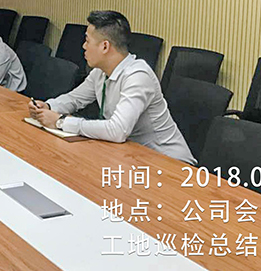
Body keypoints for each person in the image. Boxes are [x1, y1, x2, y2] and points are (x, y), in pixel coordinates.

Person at [29, 10, 195, 164]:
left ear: (105, 46)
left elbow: (117, 130)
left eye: (87, 41)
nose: (83, 46)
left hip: (170, 164)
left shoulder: (138, 76)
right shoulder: (100, 72)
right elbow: (74, 99)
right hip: (130, 155)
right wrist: (48, 106)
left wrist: (61, 122)